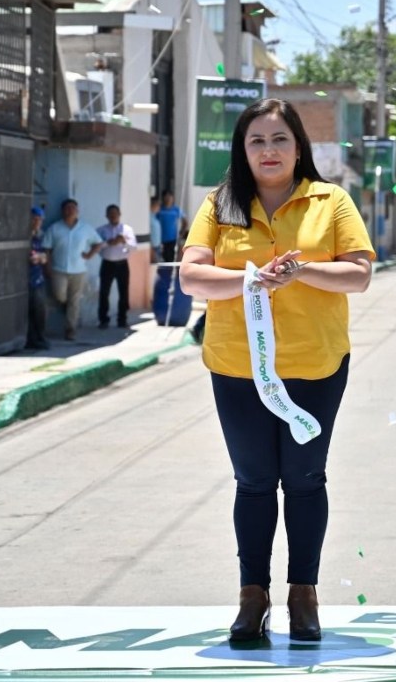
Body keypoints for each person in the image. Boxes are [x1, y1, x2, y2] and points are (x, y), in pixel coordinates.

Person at [179, 98, 375, 643]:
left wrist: (303, 270)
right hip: (238, 368)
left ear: (298, 147)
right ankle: (252, 597)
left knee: (306, 480)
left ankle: (303, 596)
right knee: (255, 482)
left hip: (315, 367)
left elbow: (358, 275)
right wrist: (252, 281)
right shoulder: (221, 204)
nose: (269, 151)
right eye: (256, 141)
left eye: (279, 139)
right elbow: (193, 278)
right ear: (243, 150)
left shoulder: (329, 200)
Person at [41, 199, 103, 341]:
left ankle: (70, 330)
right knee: (59, 296)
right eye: (67, 208)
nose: (70, 210)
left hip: (79, 270)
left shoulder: (85, 228)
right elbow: (47, 249)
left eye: (73, 208)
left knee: (74, 301)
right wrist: (47, 266)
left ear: (77, 210)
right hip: (58, 269)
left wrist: (89, 255)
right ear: (62, 211)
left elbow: (98, 243)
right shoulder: (55, 228)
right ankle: (66, 307)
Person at [96, 204, 137, 329]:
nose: (113, 216)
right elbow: (95, 246)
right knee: (104, 292)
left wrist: (123, 241)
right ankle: (103, 320)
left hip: (122, 264)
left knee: (123, 292)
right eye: (110, 214)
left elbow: (134, 247)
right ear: (106, 216)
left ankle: (122, 319)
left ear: (119, 215)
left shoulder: (127, 229)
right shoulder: (101, 230)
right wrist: (108, 243)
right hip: (107, 263)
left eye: (115, 213)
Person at [26, 206, 49, 350]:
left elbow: (44, 257)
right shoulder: (23, 236)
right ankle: (30, 339)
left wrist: (40, 257)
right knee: (26, 312)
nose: (37, 222)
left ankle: (40, 337)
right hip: (23, 280)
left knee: (40, 310)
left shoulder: (40, 236)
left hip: (37, 279)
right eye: (34, 219)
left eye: (39, 220)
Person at [156, 190, 187, 263]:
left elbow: (185, 221)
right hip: (160, 239)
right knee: (161, 259)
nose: (168, 199)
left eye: (170, 197)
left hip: (172, 239)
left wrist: (181, 233)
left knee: (170, 258)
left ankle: (170, 274)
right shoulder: (160, 209)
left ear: (172, 198)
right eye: (166, 197)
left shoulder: (176, 209)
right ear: (163, 198)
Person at [149, 196, 163, 265]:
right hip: (152, 248)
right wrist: (151, 249)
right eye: (158, 205)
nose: (159, 208)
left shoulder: (154, 217)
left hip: (157, 247)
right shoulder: (148, 218)